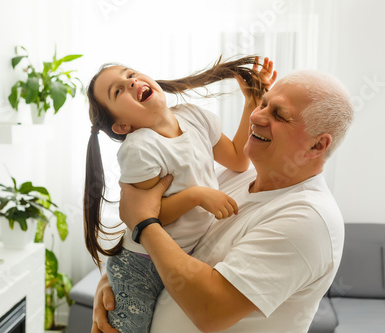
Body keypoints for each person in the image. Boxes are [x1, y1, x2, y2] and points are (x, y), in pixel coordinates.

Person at [91, 70, 354, 333]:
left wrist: (144, 224)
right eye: (263, 103)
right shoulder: (237, 179)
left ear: (317, 146)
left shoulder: (307, 220)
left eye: (279, 115)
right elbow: (174, 244)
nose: (256, 116)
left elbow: (211, 312)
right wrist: (116, 281)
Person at [83, 56, 277, 332]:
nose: (131, 82)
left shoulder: (194, 117)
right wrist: (197, 195)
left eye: (131, 75)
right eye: (118, 91)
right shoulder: (140, 149)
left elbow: (237, 158)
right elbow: (147, 216)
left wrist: (250, 104)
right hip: (140, 265)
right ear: (122, 126)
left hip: (179, 257)